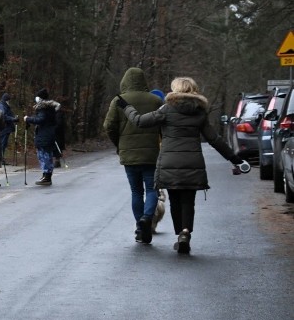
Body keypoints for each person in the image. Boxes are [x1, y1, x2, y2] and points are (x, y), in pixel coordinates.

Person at [116, 76, 245, 254]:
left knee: (175, 200)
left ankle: (180, 233)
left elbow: (139, 121)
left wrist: (126, 107)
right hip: (192, 163)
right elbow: (214, 140)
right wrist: (235, 159)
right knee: (188, 201)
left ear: (175, 90)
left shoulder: (166, 110)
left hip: (169, 163)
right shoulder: (200, 113)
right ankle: (185, 233)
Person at [104, 67, 163, 243]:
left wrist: (119, 143)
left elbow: (109, 126)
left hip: (128, 154)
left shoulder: (118, 101)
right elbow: (163, 124)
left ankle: (139, 227)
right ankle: (147, 218)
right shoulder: (155, 100)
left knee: (136, 191)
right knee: (152, 188)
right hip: (152, 153)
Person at [23, 88, 59, 186]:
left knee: (44, 155)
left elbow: (41, 119)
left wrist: (29, 119)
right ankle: (46, 175)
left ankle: (46, 175)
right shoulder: (51, 108)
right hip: (48, 134)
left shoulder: (43, 108)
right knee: (46, 155)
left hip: (44, 135)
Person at [0, 93, 18, 164]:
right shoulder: (2, 106)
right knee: (2, 143)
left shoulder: (3, 105)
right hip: (4, 128)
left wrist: (14, 118)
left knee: (3, 143)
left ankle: (0, 158)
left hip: (6, 127)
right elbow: (4, 116)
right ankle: (0, 158)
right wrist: (13, 119)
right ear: (6, 100)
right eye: (9, 100)